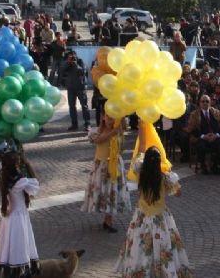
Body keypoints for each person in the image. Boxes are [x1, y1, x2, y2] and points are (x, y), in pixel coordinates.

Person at [115, 127, 191, 278]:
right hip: (161, 218)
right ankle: (164, 272)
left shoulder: (140, 172)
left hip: (141, 216)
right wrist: (172, 178)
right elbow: (178, 193)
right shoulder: (165, 178)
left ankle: (139, 271)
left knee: (139, 245)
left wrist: (142, 128)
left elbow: (141, 149)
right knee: (164, 245)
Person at [0, 151, 40, 278]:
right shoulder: (20, 181)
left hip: (8, 217)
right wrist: (29, 165)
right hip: (19, 216)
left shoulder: (4, 178)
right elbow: (35, 185)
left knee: (8, 243)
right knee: (19, 243)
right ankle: (19, 271)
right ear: (16, 165)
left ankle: (8, 269)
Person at [81, 114, 130, 233]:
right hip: (101, 167)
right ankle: (106, 218)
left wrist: (121, 117)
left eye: (113, 117)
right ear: (103, 117)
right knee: (103, 191)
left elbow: (122, 144)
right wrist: (113, 132)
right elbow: (98, 140)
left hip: (114, 165)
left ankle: (108, 220)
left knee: (112, 192)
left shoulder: (118, 130)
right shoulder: (96, 132)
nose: (110, 120)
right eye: (108, 117)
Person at [61, 52, 90, 131]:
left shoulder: (80, 62)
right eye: (70, 57)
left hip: (80, 87)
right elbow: (61, 71)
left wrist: (75, 64)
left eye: (73, 56)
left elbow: (83, 72)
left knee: (84, 106)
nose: (72, 58)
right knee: (72, 107)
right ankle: (74, 124)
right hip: (71, 88)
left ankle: (87, 123)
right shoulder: (66, 63)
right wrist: (68, 63)